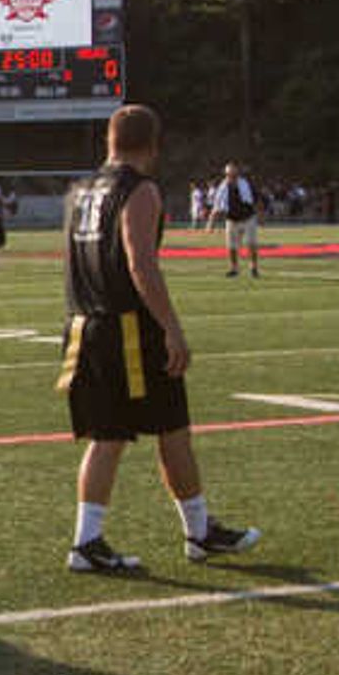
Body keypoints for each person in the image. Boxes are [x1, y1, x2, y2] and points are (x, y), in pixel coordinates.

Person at [61, 105, 259, 577]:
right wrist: (171, 327)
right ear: (153, 144)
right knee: (142, 432)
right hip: (126, 325)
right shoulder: (139, 189)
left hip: (84, 321)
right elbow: (140, 263)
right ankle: (114, 539)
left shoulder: (81, 189)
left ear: (109, 140)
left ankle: (182, 531)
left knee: (140, 430)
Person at [218, 160, 262, 277]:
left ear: (237, 173)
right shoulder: (223, 187)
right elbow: (218, 205)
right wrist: (211, 222)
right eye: (228, 174)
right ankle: (234, 268)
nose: (230, 177)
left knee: (251, 244)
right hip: (232, 219)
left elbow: (256, 199)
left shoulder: (246, 184)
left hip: (248, 217)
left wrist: (259, 215)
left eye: (232, 174)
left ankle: (253, 268)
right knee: (231, 246)